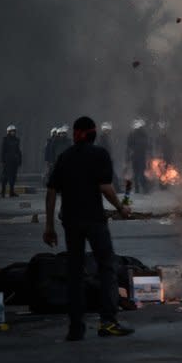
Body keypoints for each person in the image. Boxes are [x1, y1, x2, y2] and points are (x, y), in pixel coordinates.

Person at [43, 116, 134, 341]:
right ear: (91, 133)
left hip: (71, 222)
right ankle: (108, 322)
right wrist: (121, 208)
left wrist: (49, 226)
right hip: (94, 220)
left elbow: (52, 191)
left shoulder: (64, 157)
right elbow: (105, 187)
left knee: (75, 273)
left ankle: (75, 328)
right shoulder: (99, 155)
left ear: (75, 133)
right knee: (106, 268)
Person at [126, 119, 149, 194]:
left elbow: (129, 146)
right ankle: (144, 189)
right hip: (140, 156)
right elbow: (146, 145)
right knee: (141, 173)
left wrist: (128, 157)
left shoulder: (132, 134)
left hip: (135, 156)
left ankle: (137, 189)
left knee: (136, 173)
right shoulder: (143, 134)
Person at [0, 125, 22, 197]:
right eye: (12, 131)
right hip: (7, 161)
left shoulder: (17, 140)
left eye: (14, 131)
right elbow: (3, 151)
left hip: (14, 161)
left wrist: (20, 160)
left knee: (13, 177)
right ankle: (3, 192)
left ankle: (11, 192)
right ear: (8, 132)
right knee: (5, 177)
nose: (13, 132)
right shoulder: (5, 139)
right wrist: (2, 161)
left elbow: (18, 151)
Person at [98, 122, 120, 192]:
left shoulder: (106, 138)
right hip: (105, 159)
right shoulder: (103, 138)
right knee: (112, 174)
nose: (109, 131)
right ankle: (117, 189)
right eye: (107, 130)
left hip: (106, 159)